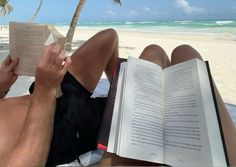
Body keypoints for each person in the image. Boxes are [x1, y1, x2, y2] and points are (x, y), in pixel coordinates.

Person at [0, 29, 235, 166]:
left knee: (109, 37)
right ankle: (126, 98)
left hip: (47, 95)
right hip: (54, 124)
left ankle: (120, 93)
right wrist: (45, 92)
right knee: (171, 53)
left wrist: (2, 88)